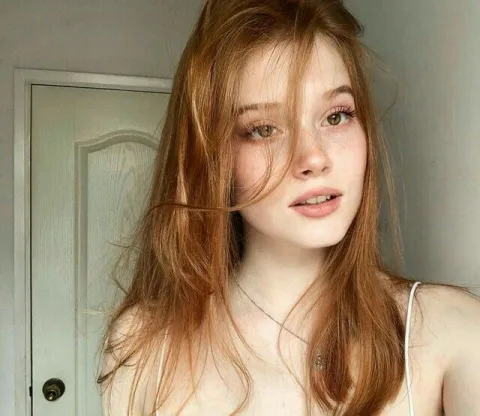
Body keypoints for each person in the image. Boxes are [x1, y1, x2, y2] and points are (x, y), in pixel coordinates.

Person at [98, 0, 480, 415]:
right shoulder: (142, 347)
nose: (313, 158)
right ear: (212, 158)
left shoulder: (449, 331)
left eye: (336, 116)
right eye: (264, 129)